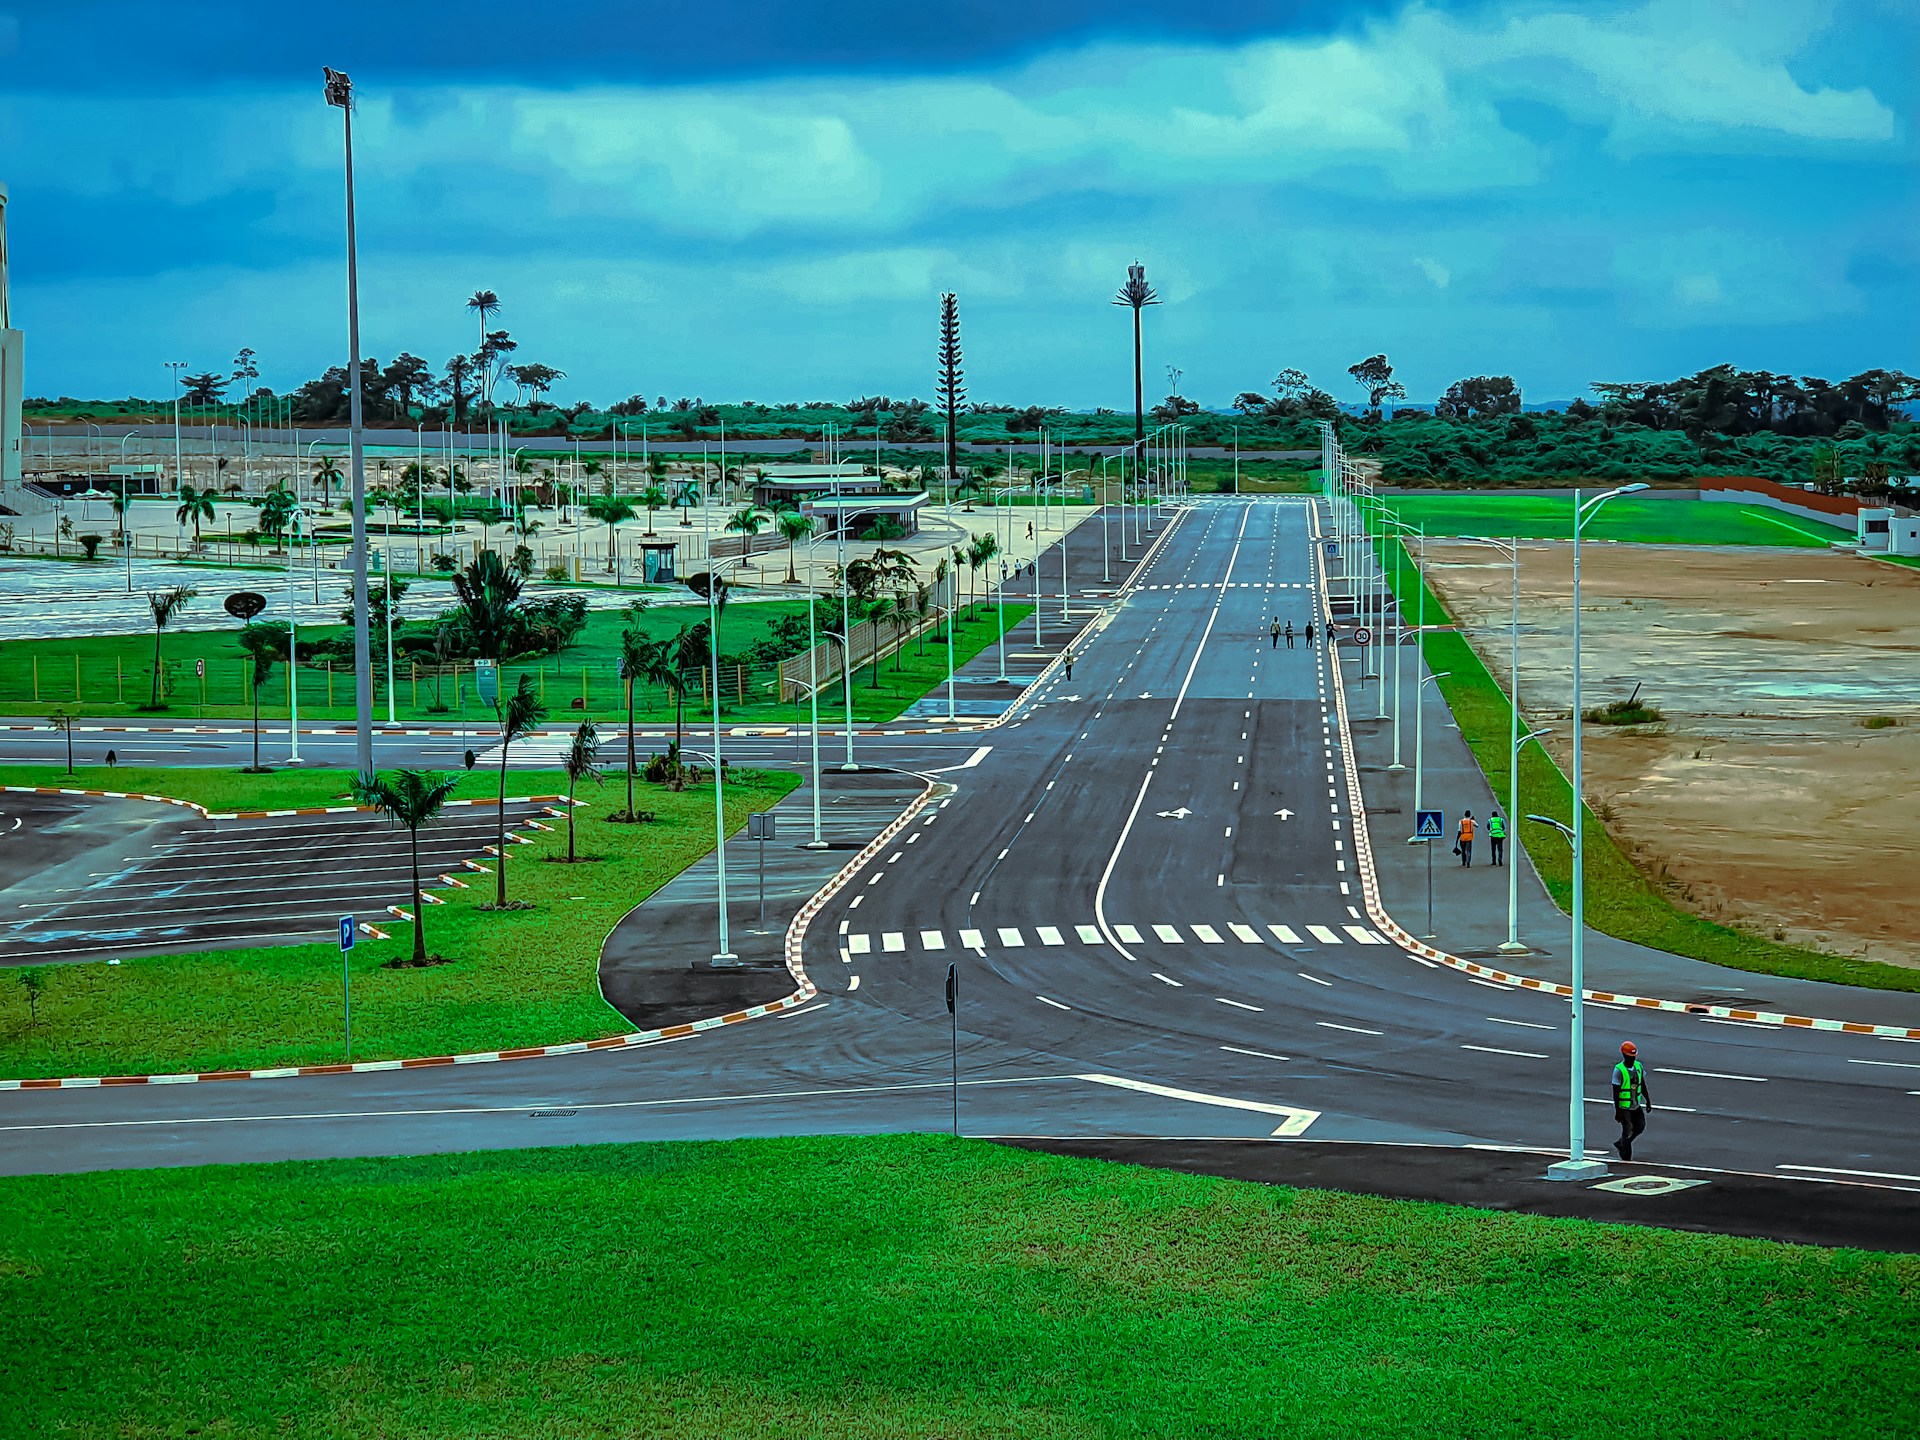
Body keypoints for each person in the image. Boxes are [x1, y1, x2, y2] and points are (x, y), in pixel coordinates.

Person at [1612, 1041, 1652, 1160]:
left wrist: (1648, 1100)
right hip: (1624, 1107)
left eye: (1633, 1056)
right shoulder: (1619, 1070)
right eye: (1630, 1056)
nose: (1632, 1058)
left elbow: (1642, 1084)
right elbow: (1616, 1092)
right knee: (1627, 1131)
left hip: (1635, 1104)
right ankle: (1626, 1159)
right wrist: (1617, 1111)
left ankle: (1622, 1144)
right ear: (1624, 1055)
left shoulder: (1638, 1066)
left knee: (1640, 1126)